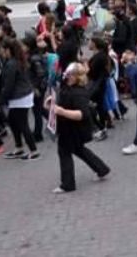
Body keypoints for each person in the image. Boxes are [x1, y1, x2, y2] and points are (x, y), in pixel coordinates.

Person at [50, 63, 110, 193]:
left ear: (75, 76)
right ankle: (101, 169)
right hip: (69, 127)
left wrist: (62, 111)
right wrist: (53, 101)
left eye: (69, 73)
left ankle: (68, 184)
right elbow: (61, 95)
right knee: (79, 150)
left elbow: (81, 114)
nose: (66, 75)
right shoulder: (68, 86)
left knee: (65, 152)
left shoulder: (78, 93)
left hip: (73, 129)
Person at [0, 38, 40, 160]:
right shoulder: (16, 60)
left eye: (3, 49)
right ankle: (19, 147)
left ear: (8, 50)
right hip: (22, 95)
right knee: (13, 121)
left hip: (19, 96)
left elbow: (9, 84)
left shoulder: (12, 63)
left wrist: (0, 101)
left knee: (22, 124)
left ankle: (33, 150)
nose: (1, 51)